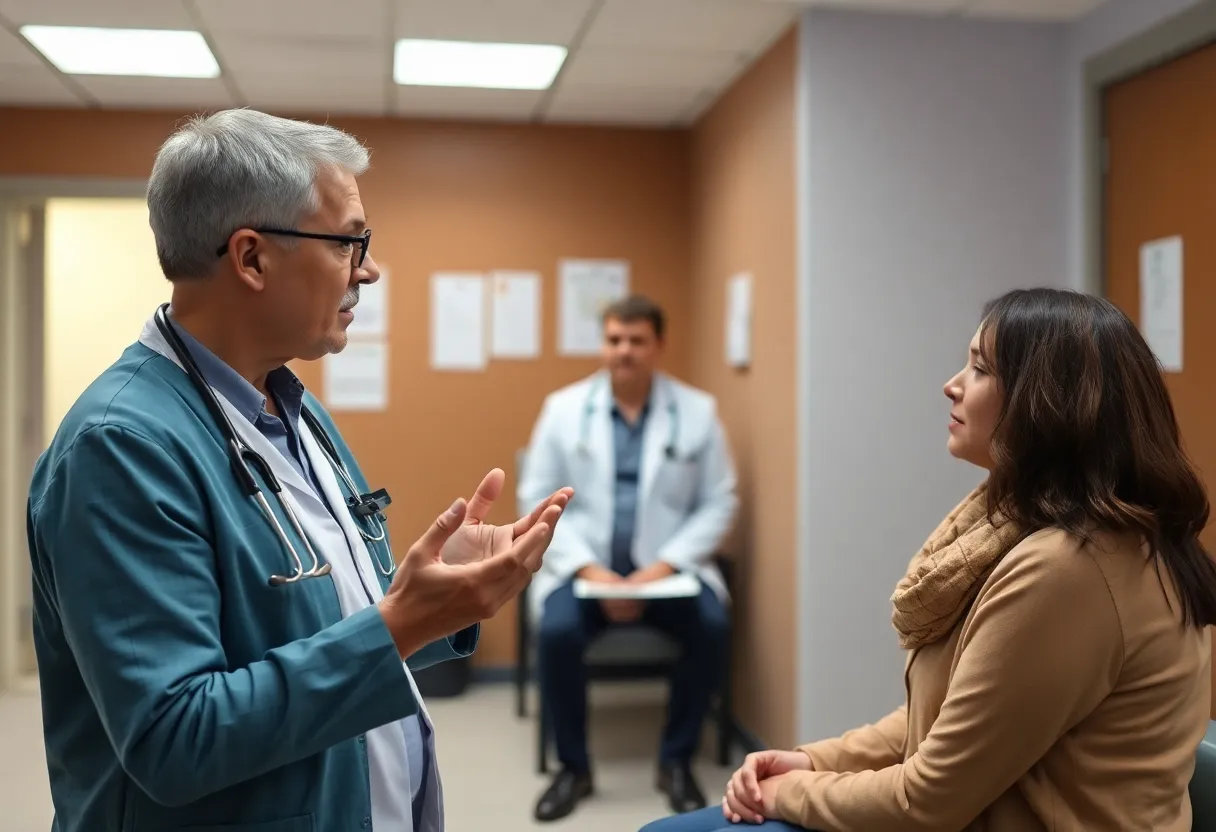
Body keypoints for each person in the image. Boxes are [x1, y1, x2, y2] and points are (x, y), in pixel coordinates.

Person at [26, 109, 573, 832]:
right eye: (351, 241)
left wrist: (442, 597)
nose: (368, 270)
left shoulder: (289, 406)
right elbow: (173, 739)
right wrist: (402, 621)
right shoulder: (121, 448)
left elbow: (324, 621)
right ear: (252, 258)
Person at [641, 287, 1216, 832]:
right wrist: (809, 761)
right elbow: (949, 719)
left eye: (981, 369)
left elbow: (927, 801)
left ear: (1048, 403)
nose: (952, 385)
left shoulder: (1070, 567)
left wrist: (786, 792)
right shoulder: (1038, 527)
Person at [518, 294, 739, 822]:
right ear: (604, 343)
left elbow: (721, 499)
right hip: (584, 568)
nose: (624, 351)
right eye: (615, 339)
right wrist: (589, 571)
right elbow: (536, 497)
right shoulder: (563, 409)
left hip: (667, 572)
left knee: (711, 625)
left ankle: (676, 759)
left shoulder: (698, 412)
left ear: (658, 345)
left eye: (637, 341)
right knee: (557, 632)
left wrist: (661, 568)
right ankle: (574, 767)